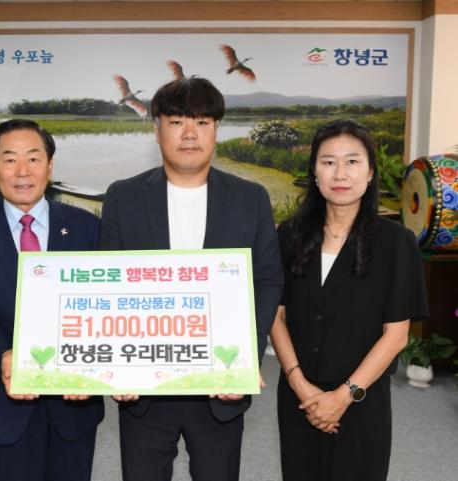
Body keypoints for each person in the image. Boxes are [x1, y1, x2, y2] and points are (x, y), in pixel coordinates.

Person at [100, 77, 283, 481]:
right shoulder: (123, 196)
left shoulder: (250, 197)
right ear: (157, 129)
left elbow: (267, 280)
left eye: (201, 122)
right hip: (145, 387)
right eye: (177, 121)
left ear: (216, 130)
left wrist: (245, 358)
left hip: (220, 385)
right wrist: (116, 365)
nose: (189, 133)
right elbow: (108, 284)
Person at [0, 119, 104, 481]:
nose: (22, 171)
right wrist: (2, 354)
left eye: (33, 158)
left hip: (74, 398)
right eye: (9, 159)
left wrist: (90, 368)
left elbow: (102, 304)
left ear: (50, 166)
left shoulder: (86, 227)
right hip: (5, 396)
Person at [270, 119, 428, 481]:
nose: (340, 173)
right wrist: (300, 385)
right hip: (299, 396)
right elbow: (276, 315)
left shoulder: (396, 242)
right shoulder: (290, 235)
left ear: (370, 173)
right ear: (314, 172)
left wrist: (342, 396)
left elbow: (396, 336)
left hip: (361, 398)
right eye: (328, 162)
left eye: (352, 161)